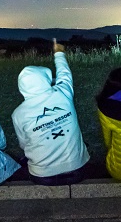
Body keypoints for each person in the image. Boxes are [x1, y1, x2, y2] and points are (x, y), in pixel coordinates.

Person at [11, 40, 90, 185]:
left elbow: (23, 145)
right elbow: (64, 73)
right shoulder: (62, 93)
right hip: (78, 169)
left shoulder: (18, 114)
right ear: (46, 80)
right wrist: (59, 53)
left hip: (42, 176)